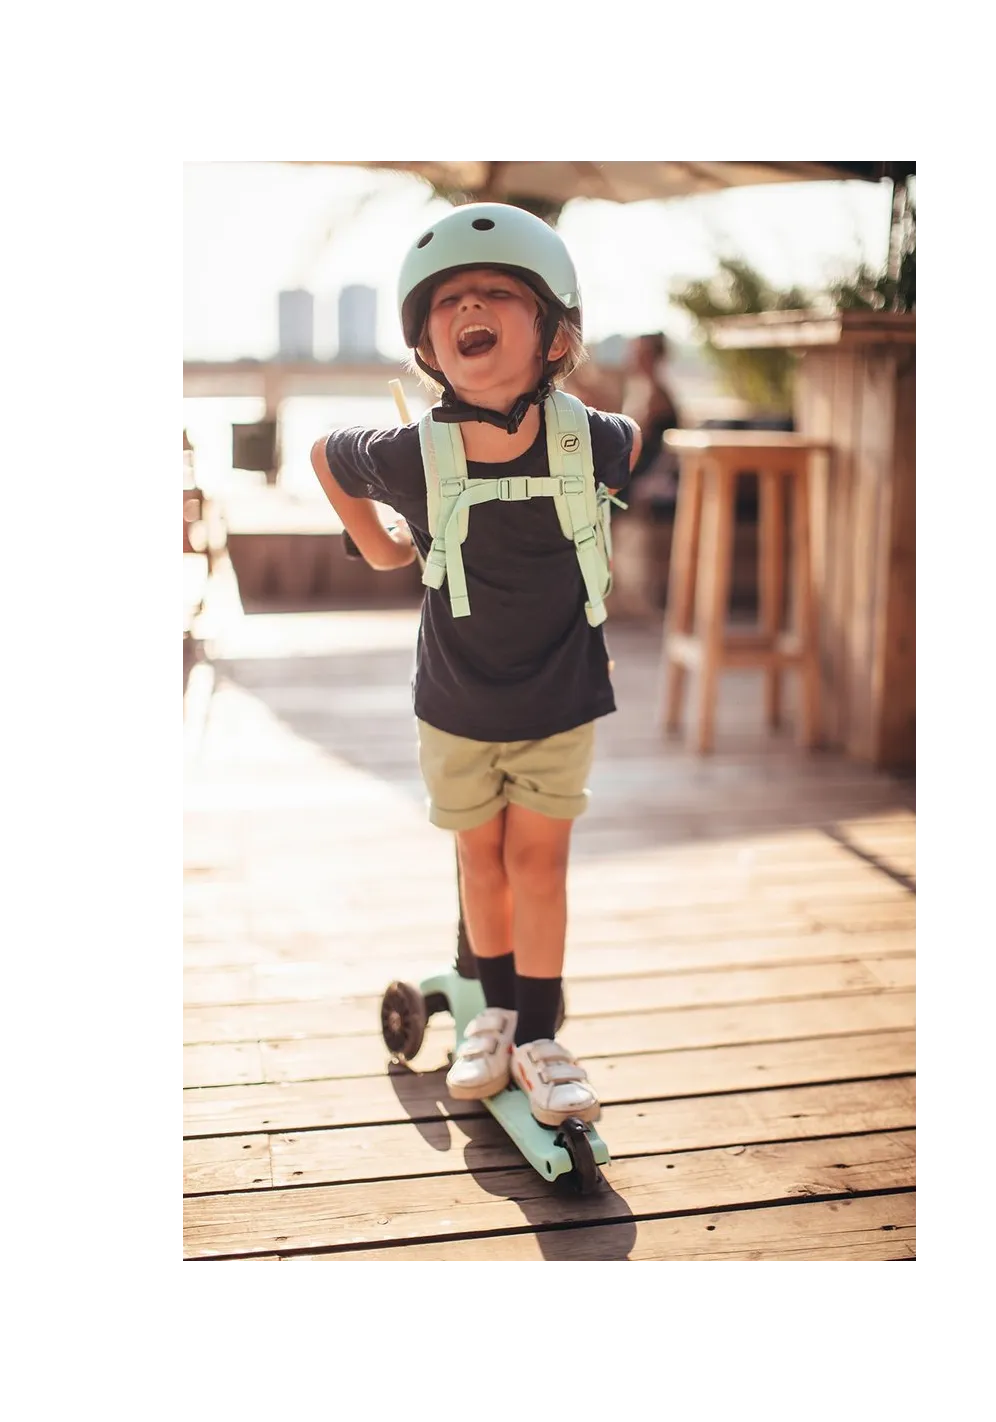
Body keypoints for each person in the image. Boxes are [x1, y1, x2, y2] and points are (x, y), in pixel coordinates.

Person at [311, 203, 641, 1128]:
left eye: (498, 293)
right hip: (455, 704)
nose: (470, 307)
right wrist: (380, 546)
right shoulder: (410, 454)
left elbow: (631, 440)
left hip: (559, 696)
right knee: (481, 862)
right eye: (449, 299)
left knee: (539, 864)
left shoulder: (590, 440)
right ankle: (492, 1017)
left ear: (555, 336)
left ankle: (538, 1033)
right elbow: (326, 455)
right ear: (428, 345)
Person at [621, 332, 681, 511]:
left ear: (654, 358)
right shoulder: (640, 389)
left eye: (641, 353)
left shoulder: (657, 395)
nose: (634, 358)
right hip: (639, 468)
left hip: (653, 472)